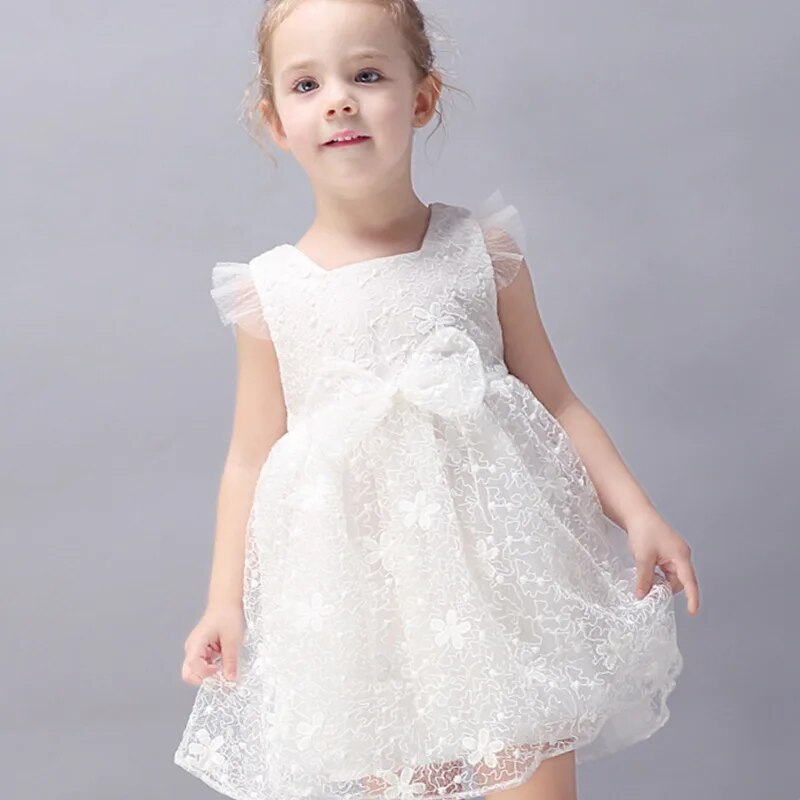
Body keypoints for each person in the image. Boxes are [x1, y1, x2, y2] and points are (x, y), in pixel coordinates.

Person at [173, 1, 701, 799]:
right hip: (362, 609)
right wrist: (223, 603)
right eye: (307, 85)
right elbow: (248, 459)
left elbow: (558, 402)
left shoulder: (480, 252)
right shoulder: (270, 294)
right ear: (276, 121)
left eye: (367, 74)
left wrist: (638, 512)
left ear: (422, 99)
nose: (339, 101)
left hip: (502, 591)